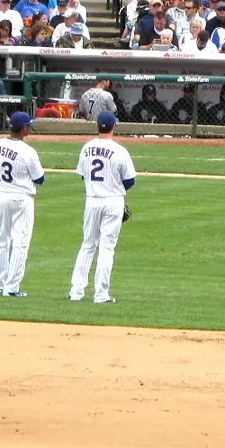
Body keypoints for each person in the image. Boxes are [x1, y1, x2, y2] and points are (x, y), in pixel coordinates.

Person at [69, 110, 136, 304]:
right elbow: (130, 180)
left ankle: (76, 292)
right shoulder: (119, 150)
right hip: (113, 200)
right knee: (107, 248)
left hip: (92, 199)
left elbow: (83, 175)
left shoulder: (87, 148)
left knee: (88, 245)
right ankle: (101, 294)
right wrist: (116, 189)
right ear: (114, 126)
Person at [0, 111, 45, 298]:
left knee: (2, 240)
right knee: (20, 243)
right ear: (24, 129)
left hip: (2, 195)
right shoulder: (28, 152)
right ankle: (11, 287)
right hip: (21, 198)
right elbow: (40, 178)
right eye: (29, 125)